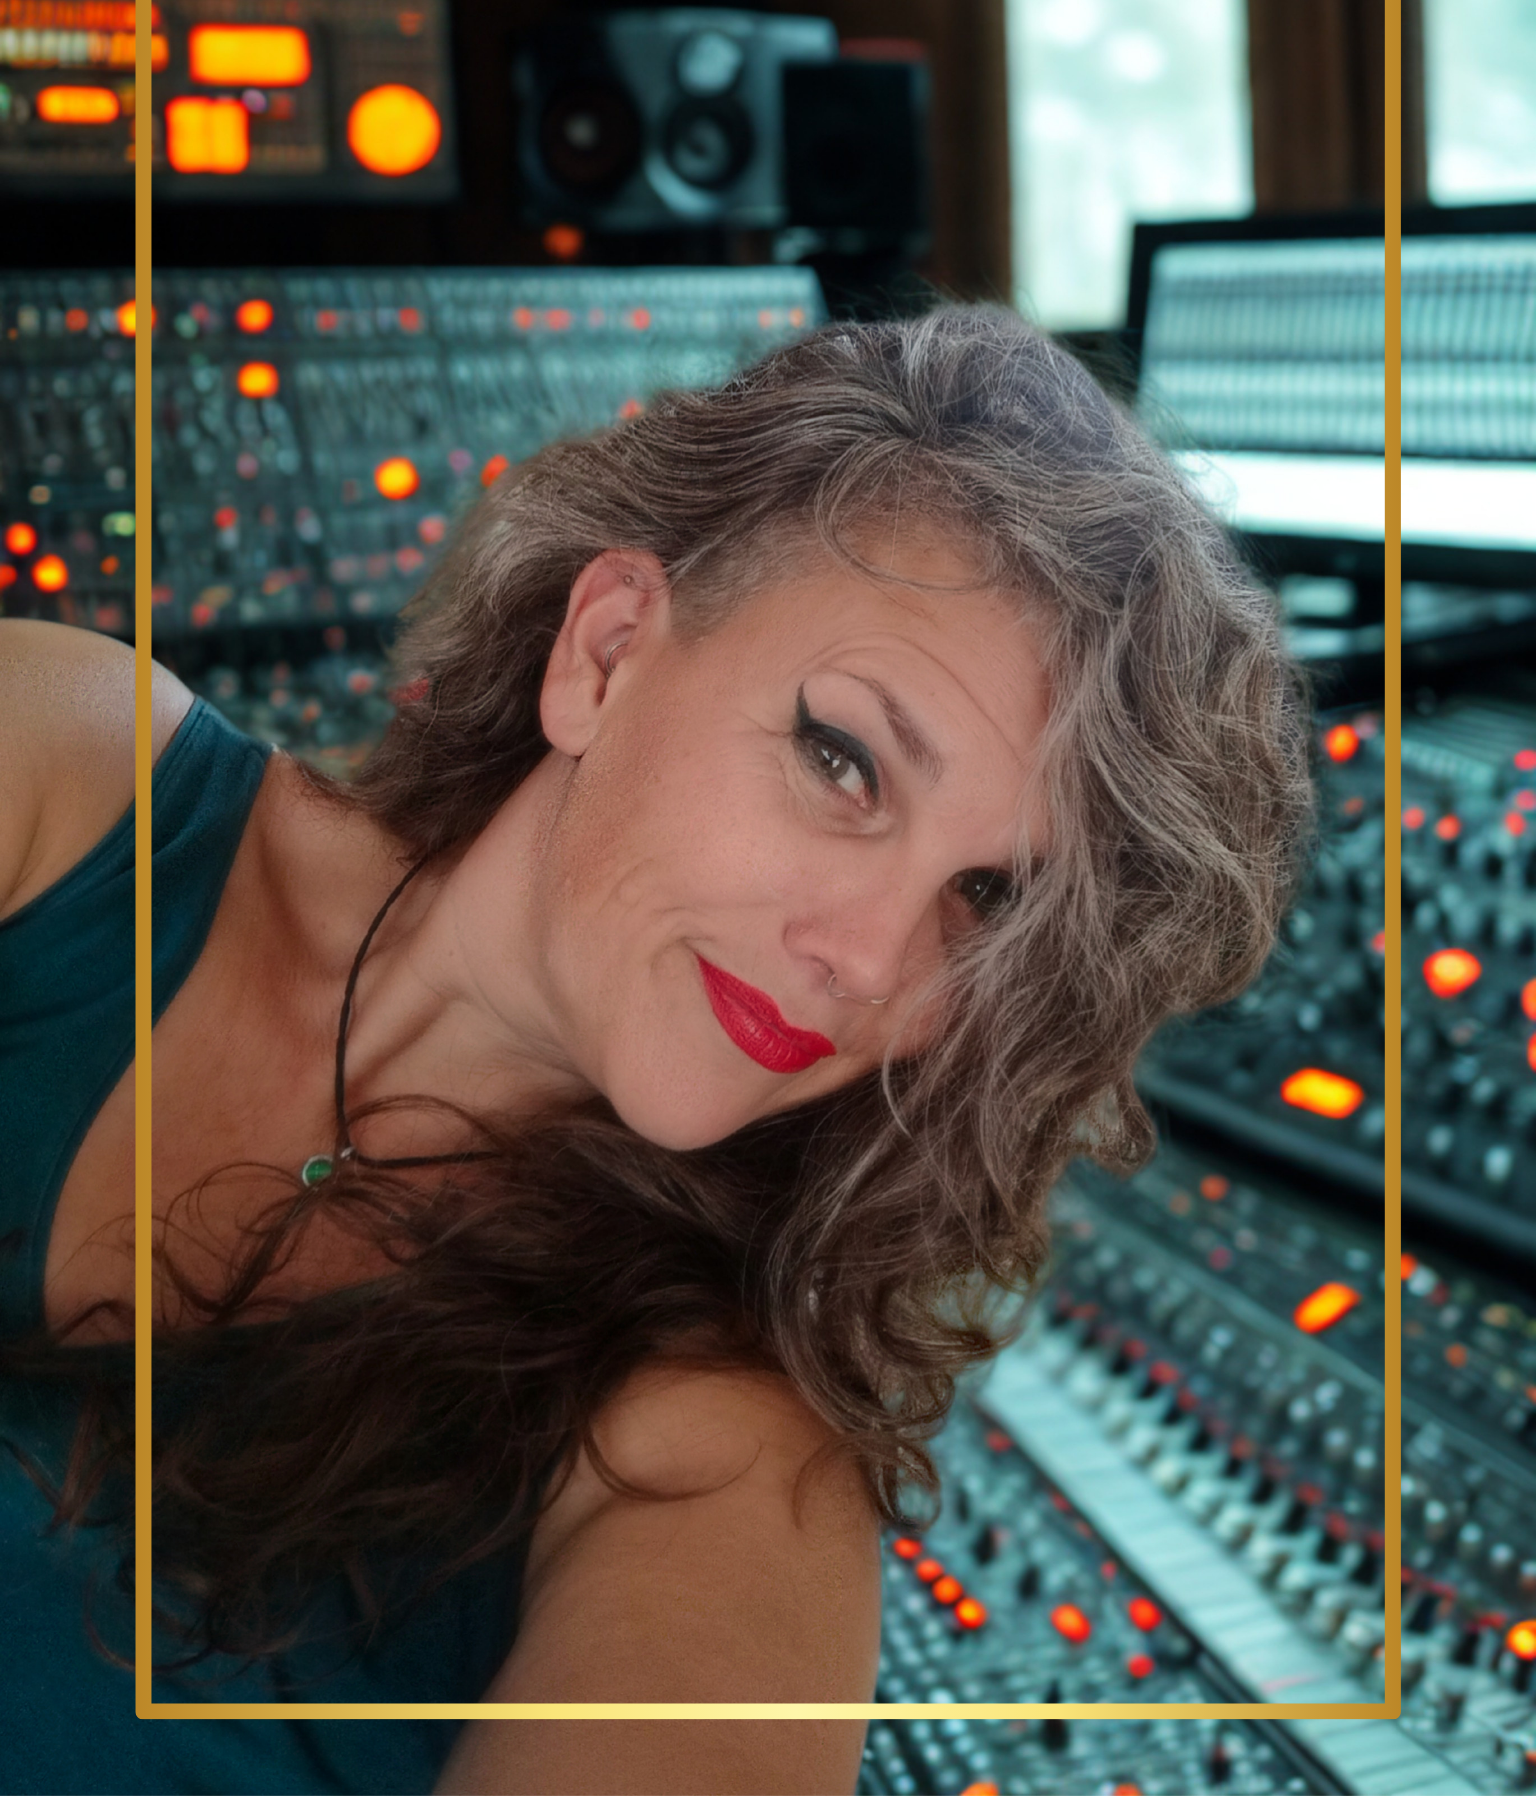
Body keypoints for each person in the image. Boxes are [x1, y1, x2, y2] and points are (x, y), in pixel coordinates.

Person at [0, 303, 1311, 1794]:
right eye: (844, 763)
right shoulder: (61, 780)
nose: (874, 961)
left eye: (987, 898)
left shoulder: (729, 1460)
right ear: (606, 650)